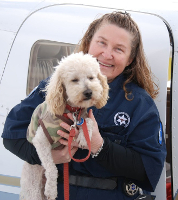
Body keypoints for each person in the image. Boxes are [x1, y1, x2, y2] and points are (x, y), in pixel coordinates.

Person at [2, 11, 166, 200]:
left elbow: (149, 169)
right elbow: (11, 136)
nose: (107, 54)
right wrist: (49, 158)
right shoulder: (56, 86)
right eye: (101, 43)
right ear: (89, 42)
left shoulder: (139, 103)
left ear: (129, 59)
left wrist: (99, 146)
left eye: (119, 49)